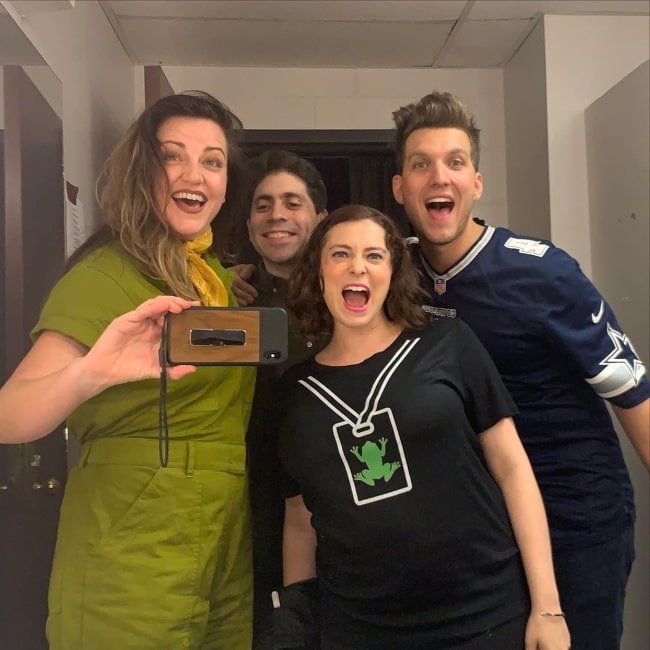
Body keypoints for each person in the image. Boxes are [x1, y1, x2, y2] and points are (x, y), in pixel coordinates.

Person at [390, 90, 650, 650]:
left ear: (476, 184)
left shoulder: (544, 274)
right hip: (483, 528)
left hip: (575, 521)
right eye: (421, 164)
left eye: (455, 162)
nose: (440, 177)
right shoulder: (397, 273)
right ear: (400, 188)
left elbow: (632, 392)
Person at [0, 91, 257, 650]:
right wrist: (91, 374)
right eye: (173, 155)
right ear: (143, 170)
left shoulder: (209, 276)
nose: (195, 174)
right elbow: (9, 414)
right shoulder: (105, 275)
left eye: (212, 160)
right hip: (130, 538)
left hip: (220, 533)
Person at [273, 204, 570, 649]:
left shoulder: (446, 342)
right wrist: (295, 629)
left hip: (485, 617)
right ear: (318, 272)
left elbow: (512, 468)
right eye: (340, 254)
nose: (358, 266)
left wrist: (547, 607)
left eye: (374, 255)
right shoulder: (292, 394)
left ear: (393, 271)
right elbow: (299, 520)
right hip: (361, 630)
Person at [233, 150, 328, 644]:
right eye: (264, 205)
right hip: (257, 511)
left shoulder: (353, 296)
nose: (277, 216)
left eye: (293, 203)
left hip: (344, 504)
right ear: (249, 221)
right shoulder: (225, 301)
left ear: (320, 218)